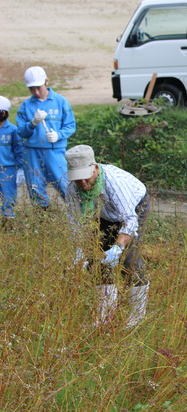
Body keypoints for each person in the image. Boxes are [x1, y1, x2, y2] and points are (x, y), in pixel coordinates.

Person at [65, 145, 150, 327]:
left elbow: (129, 219)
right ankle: (105, 315)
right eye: (77, 179)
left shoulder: (114, 183)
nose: (82, 184)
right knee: (97, 261)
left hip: (134, 208)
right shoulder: (72, 188)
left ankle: (136, 317)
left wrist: (118, 248)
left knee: (129, 261)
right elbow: (76, 221)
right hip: (104, 213)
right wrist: (79, 249)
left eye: (85, 178)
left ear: (95, 168)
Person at [16, 66, 76, 209]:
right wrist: (32, 123)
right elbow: (21, 132)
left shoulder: (60, 101)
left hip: (55, 151)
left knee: (64, 184)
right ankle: (44, 217)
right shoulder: (25, 106)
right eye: (32, 89)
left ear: (47, 82)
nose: (36, 92)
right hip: (32, 152)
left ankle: (77, 214)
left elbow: (70, 126)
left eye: (39, 88)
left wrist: (59, 135)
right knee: (35, 186)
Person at [0, 96, 24, 225]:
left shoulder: (13, 130)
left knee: (8, 198)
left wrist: (20, 169)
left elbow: (19, 151)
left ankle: (7, 225)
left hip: (8, 170)